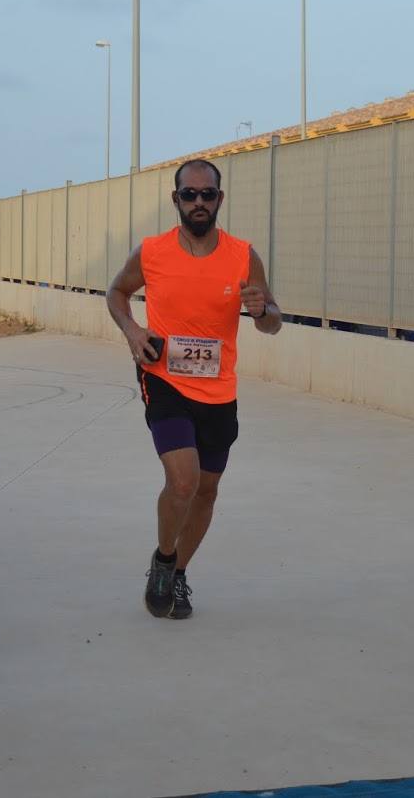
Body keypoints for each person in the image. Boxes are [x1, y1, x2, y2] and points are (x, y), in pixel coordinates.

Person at [106, 159, 281, 620]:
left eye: (208, 194)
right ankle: (164, 561)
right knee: (181, 482)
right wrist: (133, 332)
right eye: (190, 194)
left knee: (206, 492)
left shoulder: (244, 256)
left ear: (219, 200)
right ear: (176, 200)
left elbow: (272, 324)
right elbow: (117, 293)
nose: (199, 202)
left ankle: (179, 571)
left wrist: (263, 309)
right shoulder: (152, 252)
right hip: (164, 379)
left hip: (219, 391)